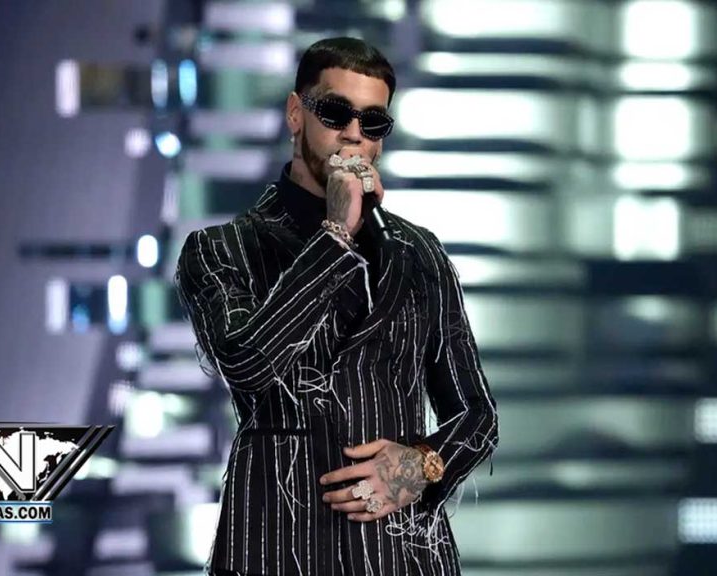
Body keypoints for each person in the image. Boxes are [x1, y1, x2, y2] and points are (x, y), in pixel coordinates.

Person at [174, 36, 499, 576]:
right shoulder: (220, 250)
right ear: (295, 114)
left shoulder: (418, 253)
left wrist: (420, 465)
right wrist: (335, 235)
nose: (353, 133)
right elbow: (247, 363)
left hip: (400, 555)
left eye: (373, 121)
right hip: (277, 547)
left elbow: (476, 415)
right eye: (335, 113)